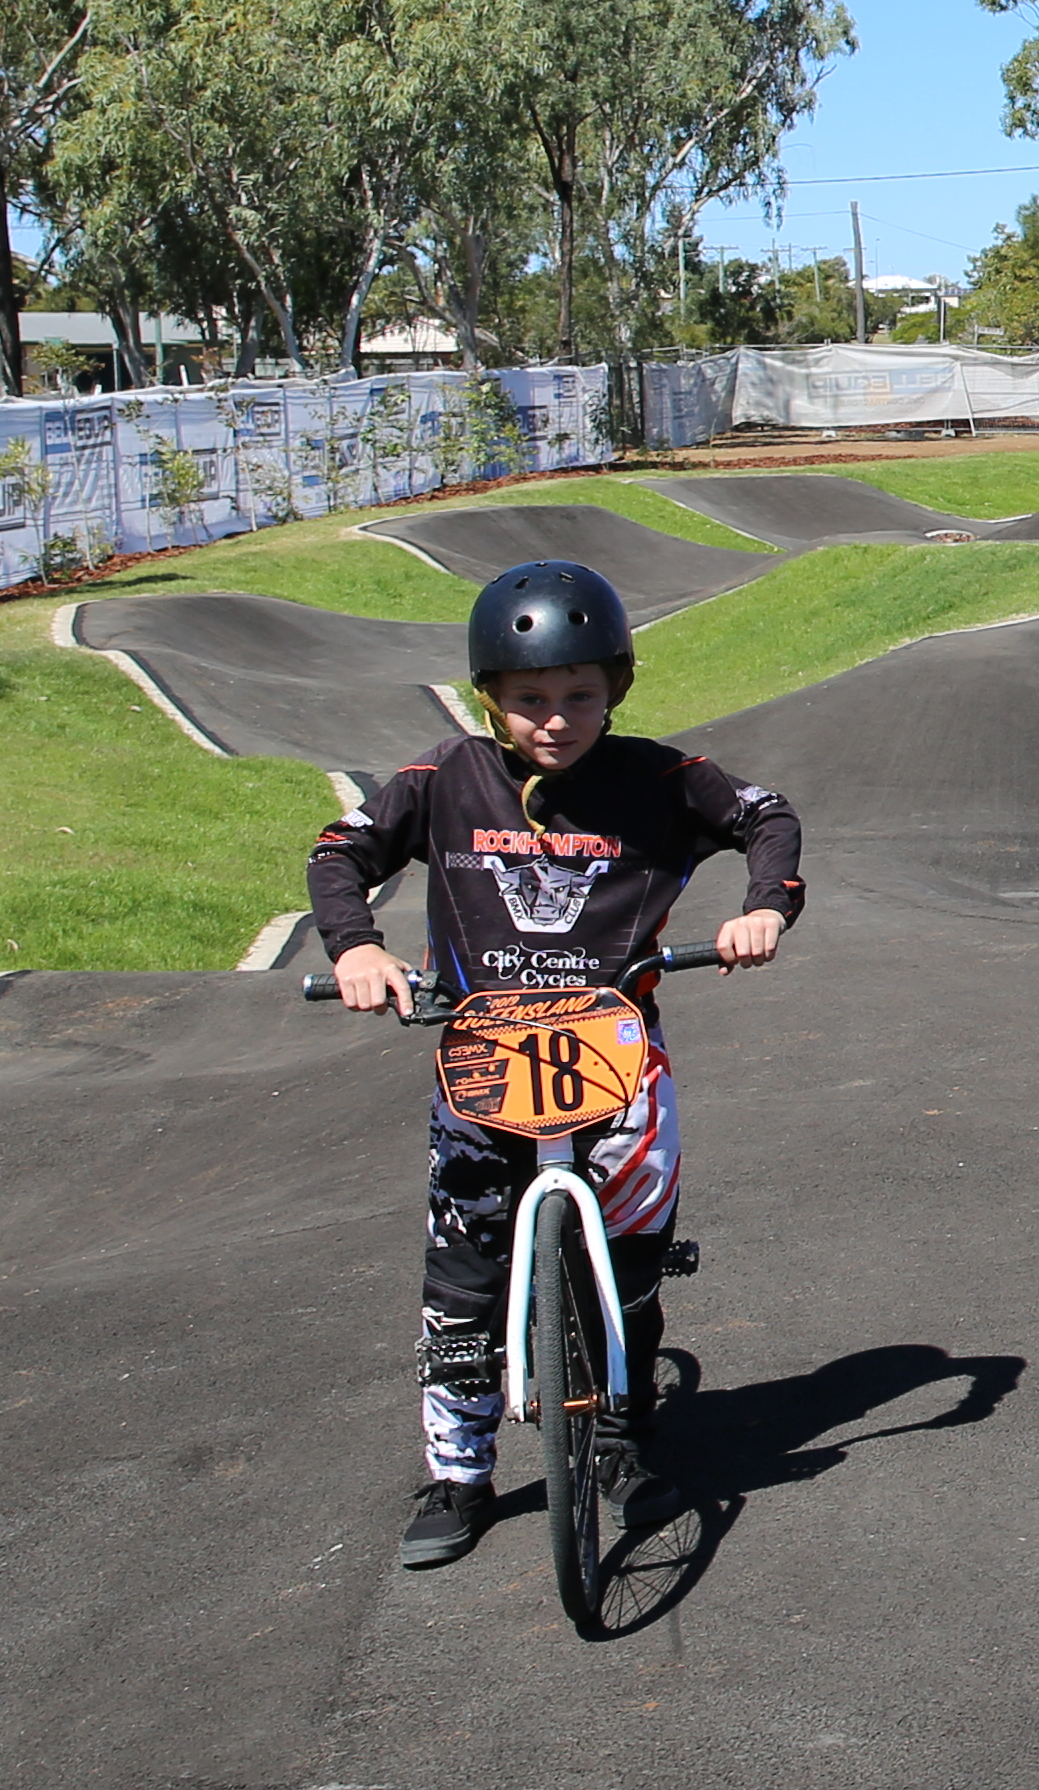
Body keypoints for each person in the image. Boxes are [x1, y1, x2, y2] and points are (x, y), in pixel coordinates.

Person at [308, 559, 800, 1572]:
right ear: (490, 697)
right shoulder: (444, 779)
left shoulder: (660, 781)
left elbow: (767, 817)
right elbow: (340, 851)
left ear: (615, 688)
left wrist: (762, 908)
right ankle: (459, 1473)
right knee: (464, 1277)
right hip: (485, 1062)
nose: (556, 720)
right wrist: (354, 946)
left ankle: (619, 1434)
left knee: (628, 1258)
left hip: (615, 1059)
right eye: (530, 700)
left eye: (581, 696)